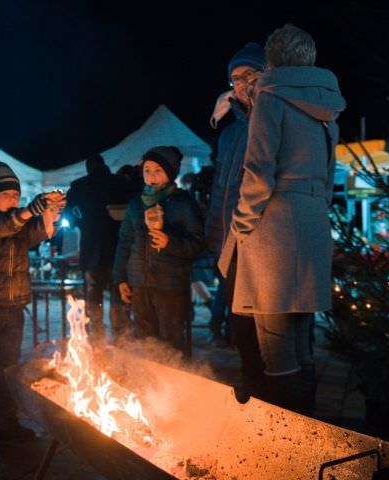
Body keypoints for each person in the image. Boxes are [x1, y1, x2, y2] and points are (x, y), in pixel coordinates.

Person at [219, 24, 346, 414]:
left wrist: (242, 223)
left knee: (275, 348)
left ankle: (286, 447)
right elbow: (327, 180)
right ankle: (311, 434)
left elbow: (258, 172)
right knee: (301, 340)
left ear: (272, 60)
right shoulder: (327, 111)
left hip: (272, 232)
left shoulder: (271, 100)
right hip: (311, 227)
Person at [0, 161, 66, 450]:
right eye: (6, 193)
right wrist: (27, 211)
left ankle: (7, 424)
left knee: (9, 369)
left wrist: (51, 209)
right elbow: (3, 226)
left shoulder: (17, 223)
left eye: (16, 194)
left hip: (14, 306)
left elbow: (40, 231)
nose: (13, 198)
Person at [205, 43, 266, 397]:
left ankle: (277, 400)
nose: (241, 84)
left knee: (269, 334)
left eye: (248, 75)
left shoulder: (269, 121)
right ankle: (253, 393)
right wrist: (215, 242)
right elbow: (220, 193)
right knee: (241, 328)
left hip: (261, 245)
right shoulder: (229, 134)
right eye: (234, 79)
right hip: (229, 247)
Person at [113, 146, 204, 351]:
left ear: (170, 174)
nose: (152, 176)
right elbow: (124, 243)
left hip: (169, 286)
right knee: (145, 341)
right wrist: (120, 278)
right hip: (140, 283)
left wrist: (169, 242)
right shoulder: (136, 205)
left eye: (158, 171)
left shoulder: (182, 204)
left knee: (171, 343)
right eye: (147, 170)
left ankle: (177, 382)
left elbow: (198, 244)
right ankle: (150, 382)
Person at [64, 154, 133, 342]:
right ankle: (120, 337)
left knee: (94, 295)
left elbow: (68, 216)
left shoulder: (79, 186)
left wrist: (80, 222)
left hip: (91, 249)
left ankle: (97, 335)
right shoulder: (119, 183)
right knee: (117, 293)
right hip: (117, 250)